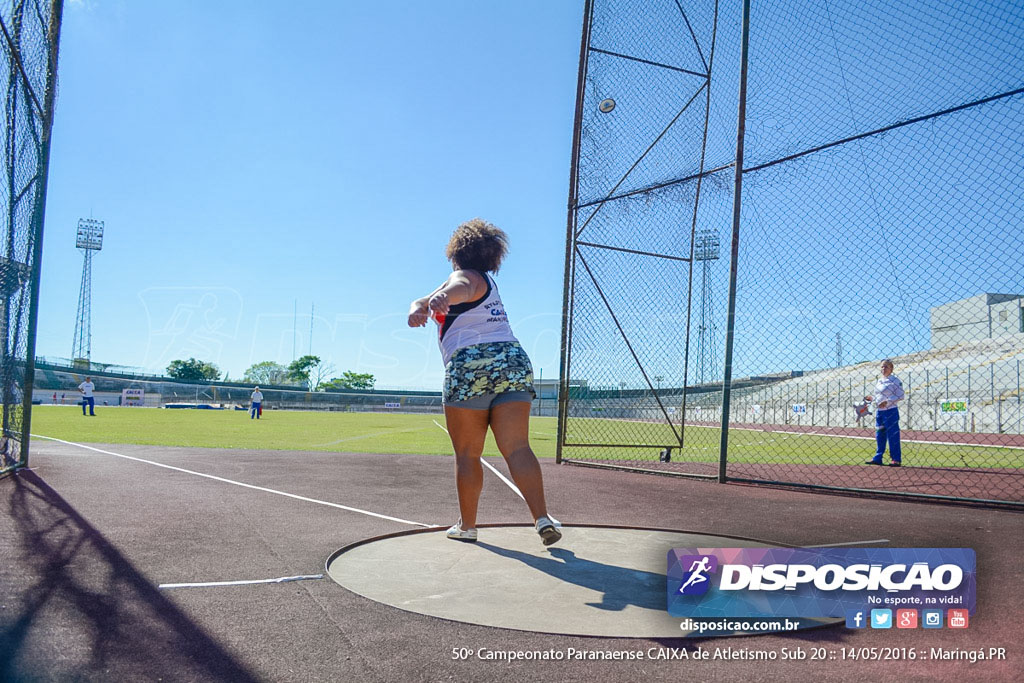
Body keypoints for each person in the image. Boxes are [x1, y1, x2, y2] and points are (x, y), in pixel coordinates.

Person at [408, 218, 560, 546]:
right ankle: (542, 518)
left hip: (470, 365)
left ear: (456, 251)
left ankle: (467, 526)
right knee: (517, 447)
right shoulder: (487, 283)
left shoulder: (462, 277)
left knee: (467, 454)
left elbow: (458, 287)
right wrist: (420, 307)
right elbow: (424, 300)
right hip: (511, 361)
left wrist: (441, 299)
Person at [864, 358, 905, 467]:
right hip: (880, 412)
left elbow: (901, 395)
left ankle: (896, 459)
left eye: (886, 366)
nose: (883, 368)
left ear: (891, 369)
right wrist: (872, 398)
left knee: (893, 435)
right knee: (879, 435)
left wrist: (888, 402)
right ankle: (878, 457)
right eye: (882, 366)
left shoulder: (895, 381)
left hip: (890, 411)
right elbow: (879, 396)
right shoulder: (879, 381)